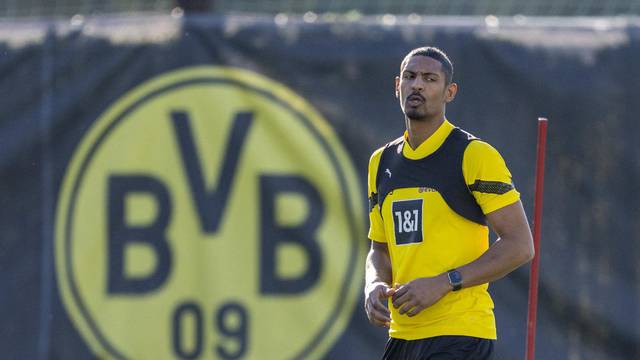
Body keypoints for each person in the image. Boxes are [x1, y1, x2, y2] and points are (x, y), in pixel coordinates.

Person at [364, 46, 535, 359]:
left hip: (460, 333)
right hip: (402, 336)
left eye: (430, 78)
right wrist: (374, 284)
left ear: (449, 92)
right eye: (410, 76)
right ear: (397, 86)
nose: (417, 85)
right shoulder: (381, 162)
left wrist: (445, 282)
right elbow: (380, 249)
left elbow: (520, 246)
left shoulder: (474, 155)